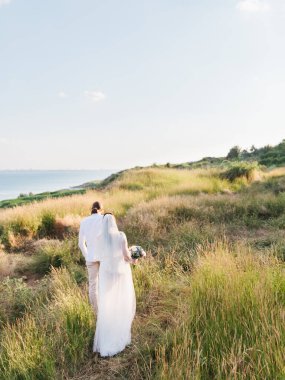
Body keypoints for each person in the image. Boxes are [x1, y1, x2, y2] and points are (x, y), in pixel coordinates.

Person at [93, 213, 136, 357]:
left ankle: (108, 333)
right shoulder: (121, 235)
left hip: (106, 273)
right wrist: (133, 259)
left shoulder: (99, 237)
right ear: (113, 222)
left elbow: (98, 256)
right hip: (119, 272)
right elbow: (125, 255)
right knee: (121, 300)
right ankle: (119, 331)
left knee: (107, 302)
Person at [78, 201, 103, 313]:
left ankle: (97, 313)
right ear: (101, 209)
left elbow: (81, 244)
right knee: (105, 283)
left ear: (91, 209)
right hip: (104, 257)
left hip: (91, 257)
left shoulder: (84, 221)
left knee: (93, 286)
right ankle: (107, 309)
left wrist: (87, 256)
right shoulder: (104, 219)